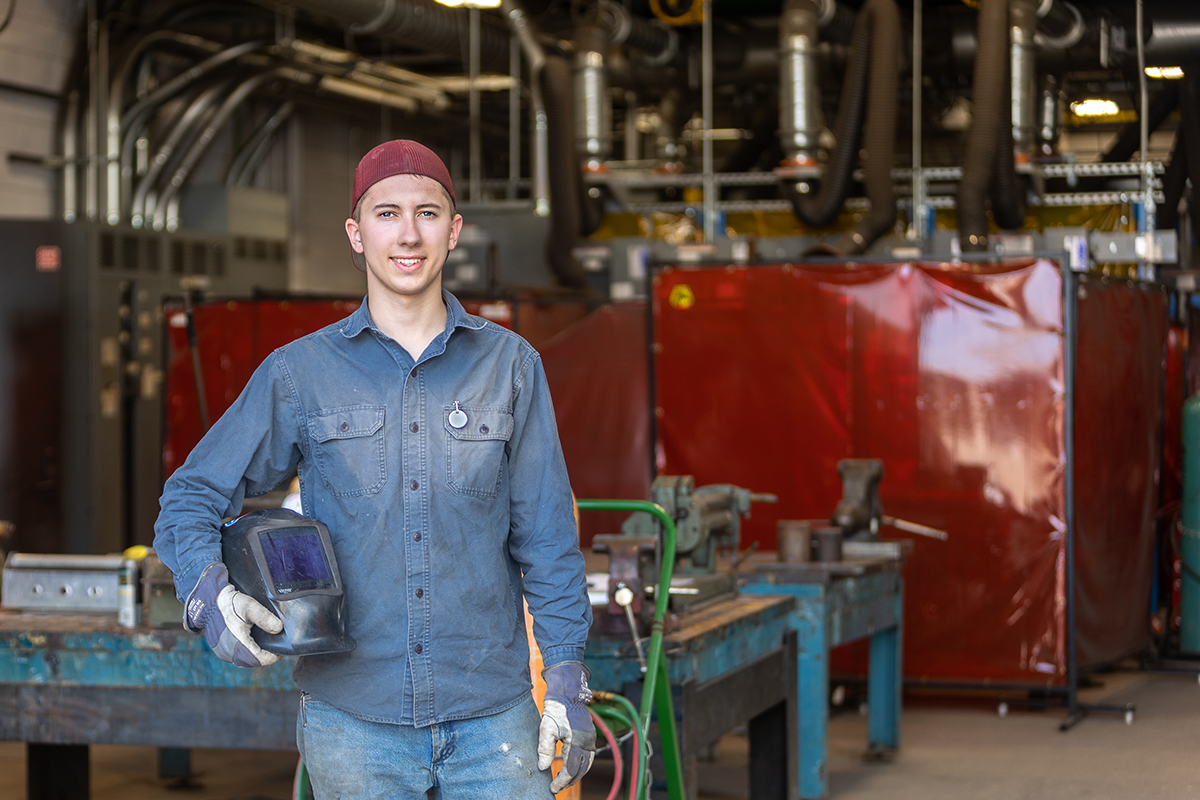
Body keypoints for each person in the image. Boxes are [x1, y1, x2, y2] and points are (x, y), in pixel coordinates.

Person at [154, 139, 595, 798]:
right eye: (387, 214)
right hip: (353, 726)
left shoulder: (511, 367)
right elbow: (189, 497)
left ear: (455, 231)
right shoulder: (301, 373)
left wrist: (564, 678)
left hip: (494, 724)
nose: (408, 233)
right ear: (357, 235)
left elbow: (548, 541)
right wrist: (210, 594)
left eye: (427, 213)